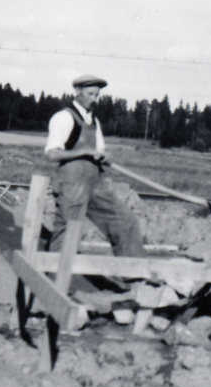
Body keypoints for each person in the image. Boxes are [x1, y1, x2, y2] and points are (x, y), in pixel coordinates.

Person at [43, 74, 146, 258]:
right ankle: (53, 283)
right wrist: (84, 152)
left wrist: (104, 155)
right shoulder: (64, 117)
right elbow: (52, 154)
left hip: (95, 183)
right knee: (68, 232)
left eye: (96, 95)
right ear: (77, 92)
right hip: (72, 185)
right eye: (90, 94)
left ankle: (135, 278)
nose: (94, 99)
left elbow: (99, 151)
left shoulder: (94, 121)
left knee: (125, 221)